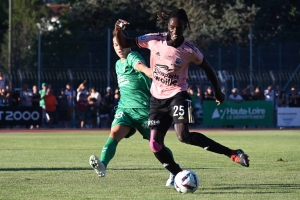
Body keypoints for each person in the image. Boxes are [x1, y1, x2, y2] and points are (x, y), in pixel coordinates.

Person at [114, 8, 250, 178]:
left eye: (179, 28)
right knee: (155, 144)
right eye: (172, 27)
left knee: (183, 136)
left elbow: (208, 69)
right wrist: (118, 30)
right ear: (168, 26)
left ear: (185, 27)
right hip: (157, 99)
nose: (175, 32)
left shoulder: (190, 50)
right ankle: (179, 175)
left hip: (178, 94)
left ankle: (232, 153)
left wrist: (218, 91)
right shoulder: (154, 40)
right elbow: (125, 43)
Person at [89, 30, 178, 187]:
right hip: (125, 110)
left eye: (121, 44)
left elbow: (142, 68)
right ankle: (102, 164)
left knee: (157, 145)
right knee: (114, 133)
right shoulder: (117, 64)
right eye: (115, 45)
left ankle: (174, 171)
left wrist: (153, 73)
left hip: (144, 110)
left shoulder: (132, 57)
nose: (118, 47)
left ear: (127, 44)